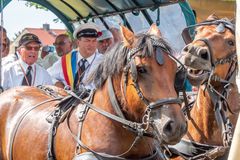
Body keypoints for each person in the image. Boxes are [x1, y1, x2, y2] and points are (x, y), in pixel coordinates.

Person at [48, 22, 103, 90]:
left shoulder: (103, 62)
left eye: (94, 41)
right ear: (78, 42)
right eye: (87, 41)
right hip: (69, 99)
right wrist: (56, 83)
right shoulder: (66, 60)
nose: (91, 44)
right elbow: (47, 75)